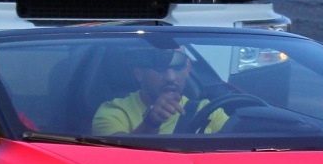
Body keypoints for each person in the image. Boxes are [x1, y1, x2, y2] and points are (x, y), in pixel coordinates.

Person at [92, 47, 228, 135]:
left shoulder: (207, 111)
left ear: (187, 69)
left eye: (177, 68)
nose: (171, 77)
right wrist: (150, 123)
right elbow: (119, 161)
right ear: (139, 73)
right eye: (160, 69)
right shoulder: (114, 112)